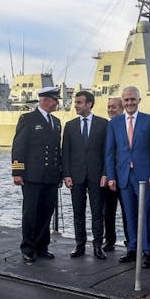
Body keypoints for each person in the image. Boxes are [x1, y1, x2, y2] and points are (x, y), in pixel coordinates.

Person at [105, 86, 150, 268]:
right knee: (129, 214)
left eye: (132, 99)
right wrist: (111, 176)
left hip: (144, 176)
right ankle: (132, 248)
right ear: (123, 102)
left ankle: (148, 251)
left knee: (146, 214)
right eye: (126, 100)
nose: (129, 103)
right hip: (123, 177)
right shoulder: (114, 123)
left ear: (139, 100)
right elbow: (110, 152)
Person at [11, 86, 63, 264]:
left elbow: (57, 150)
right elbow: (19, 146)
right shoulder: (28, 119)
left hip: (51, 176)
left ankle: (42, 246)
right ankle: (28, 248)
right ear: (46, 100)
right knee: (30, 213)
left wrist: (60, 173)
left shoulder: (56, 122)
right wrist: (17, 172)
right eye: (55, 100)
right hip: (32, 176)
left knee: (46, 212)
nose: (57, 103)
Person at [62, 91, 108, 260]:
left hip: (97, 176)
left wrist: (105, 173)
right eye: (76, 102)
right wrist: (66, 174)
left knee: (97, 213)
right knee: (78, 212)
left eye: (79, 102)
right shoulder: (70, 125)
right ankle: (79, 245)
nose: (76, 105)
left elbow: (107, 152)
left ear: (89, 104)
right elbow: (65, 152)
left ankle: (98, 246)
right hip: (76, 176)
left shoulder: (103, 124)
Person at [101, 97, 128, 251]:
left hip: (124, 176)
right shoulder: (106, 126)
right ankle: (109, 240)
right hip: (109, 175)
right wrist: (106, 174)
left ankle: (130, 241)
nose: (111, 109)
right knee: (108, 212)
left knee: (127, 211)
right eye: (109, 106)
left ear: (122, 108)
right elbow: (105, 153)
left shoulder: (128, 125)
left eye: (114, 107)